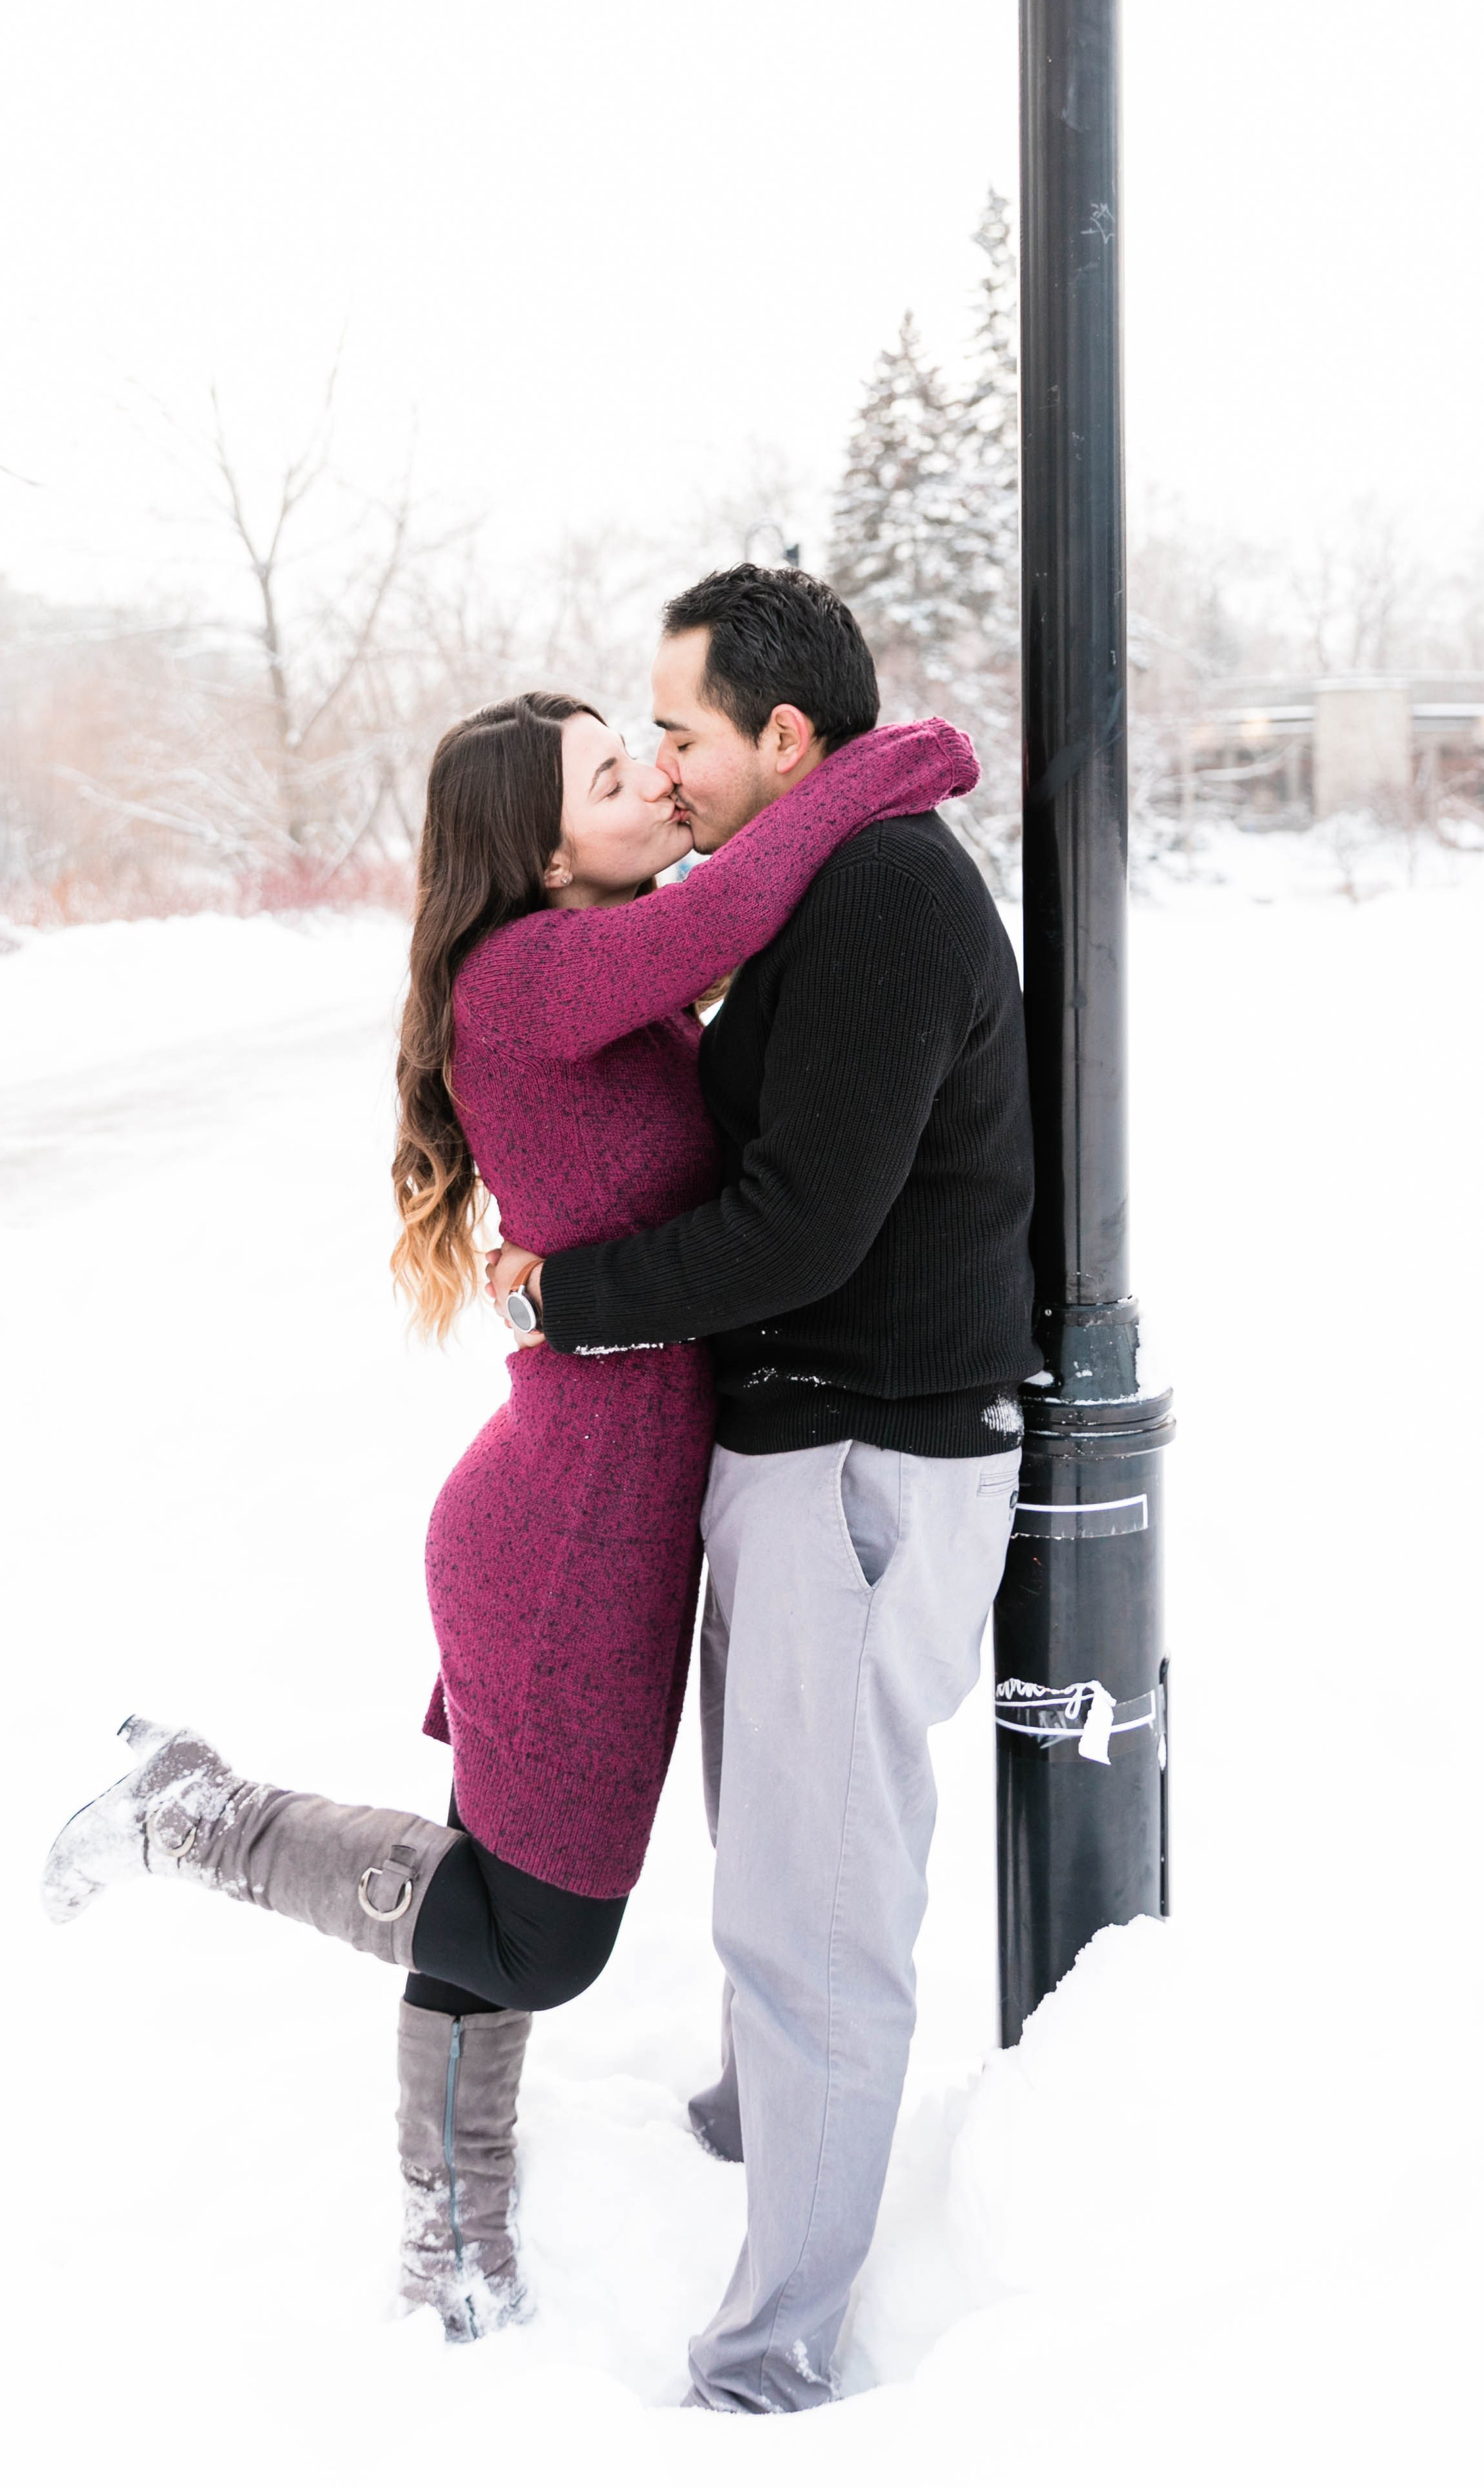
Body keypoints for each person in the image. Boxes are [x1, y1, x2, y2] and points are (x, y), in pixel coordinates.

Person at [39, 683, 974, 2347]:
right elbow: (744, 900)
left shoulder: (584, 990)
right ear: (540, 854)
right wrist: (888, 764)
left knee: (501, 1895)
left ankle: (450, 2239)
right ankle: (201, 1815)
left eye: (641, 755)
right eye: (614, 777)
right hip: (567, 1538)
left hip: (593, 1506)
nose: (652, 786)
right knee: (541, 1935)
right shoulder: (532, 973)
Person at [490, 566, 1039, 2414]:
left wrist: (575, 1299)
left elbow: (801, 1230)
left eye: (685, 735)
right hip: (815, 1462)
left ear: (785, 739)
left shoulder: (881, 894)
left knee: (817, 1910)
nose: (665, 767)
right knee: (780, 1853)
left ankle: (778, 2352)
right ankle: (765, 2121)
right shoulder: (831, 877)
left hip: (867, 1463)